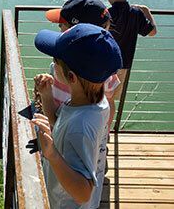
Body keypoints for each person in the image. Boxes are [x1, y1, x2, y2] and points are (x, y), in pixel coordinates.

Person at [32, 24, 122, 208]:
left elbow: (83, 193)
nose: (53, 65)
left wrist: (52, 154)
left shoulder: (81, 125)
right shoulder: (97, 103)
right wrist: (47, 98)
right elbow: (68, 133)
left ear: (71, 77)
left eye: (56, 61)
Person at [45, 0, 120, 132]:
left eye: (62, 24)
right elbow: (109, 100)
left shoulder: (61, 66)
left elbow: (55, 118)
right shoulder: (105, 68)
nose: (59, 27)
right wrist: (105, 131)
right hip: (87, 129)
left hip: (60, 128)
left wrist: (45, 95)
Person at [107, 0, 157, 100]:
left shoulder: (107, 13)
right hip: (123, 66)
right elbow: (152, 32)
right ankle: (108, 121)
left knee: (99, 97)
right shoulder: (136, 14)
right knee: (111, 100)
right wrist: (146, 11)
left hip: (105, 63)